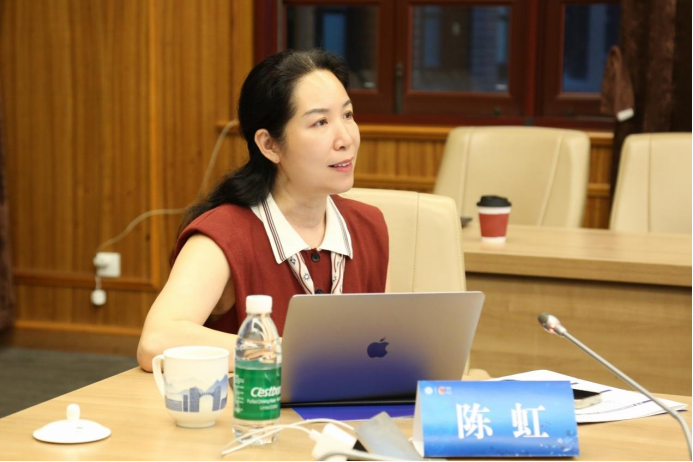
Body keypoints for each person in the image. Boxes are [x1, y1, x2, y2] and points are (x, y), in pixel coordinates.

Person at [137, 49, 390, 372]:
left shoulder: (368, 225)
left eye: (348, 115)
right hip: (254, 404)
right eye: (320, 122)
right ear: (270, 145)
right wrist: (288, 352)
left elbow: (382, 342)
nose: (346, 139)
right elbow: (156, 341)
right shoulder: (224, 234)